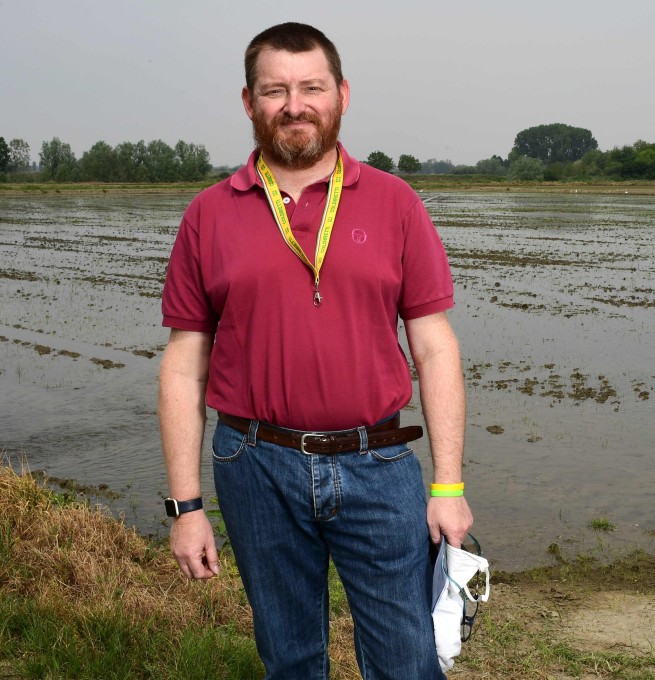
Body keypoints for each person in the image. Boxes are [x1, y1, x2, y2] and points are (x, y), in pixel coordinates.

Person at [158, 21, 472, 679]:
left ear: (342, 95)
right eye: (275, 90)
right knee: (290, 659)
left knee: (408, 662)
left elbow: (435, 349)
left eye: (311, 88)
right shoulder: (208, 214)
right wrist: (186, 509)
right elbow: (185, 364)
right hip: (254, 463)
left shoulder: (397, 203)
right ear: (249, 102)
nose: (294, 105)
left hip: (378, 461)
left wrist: (448, 485)